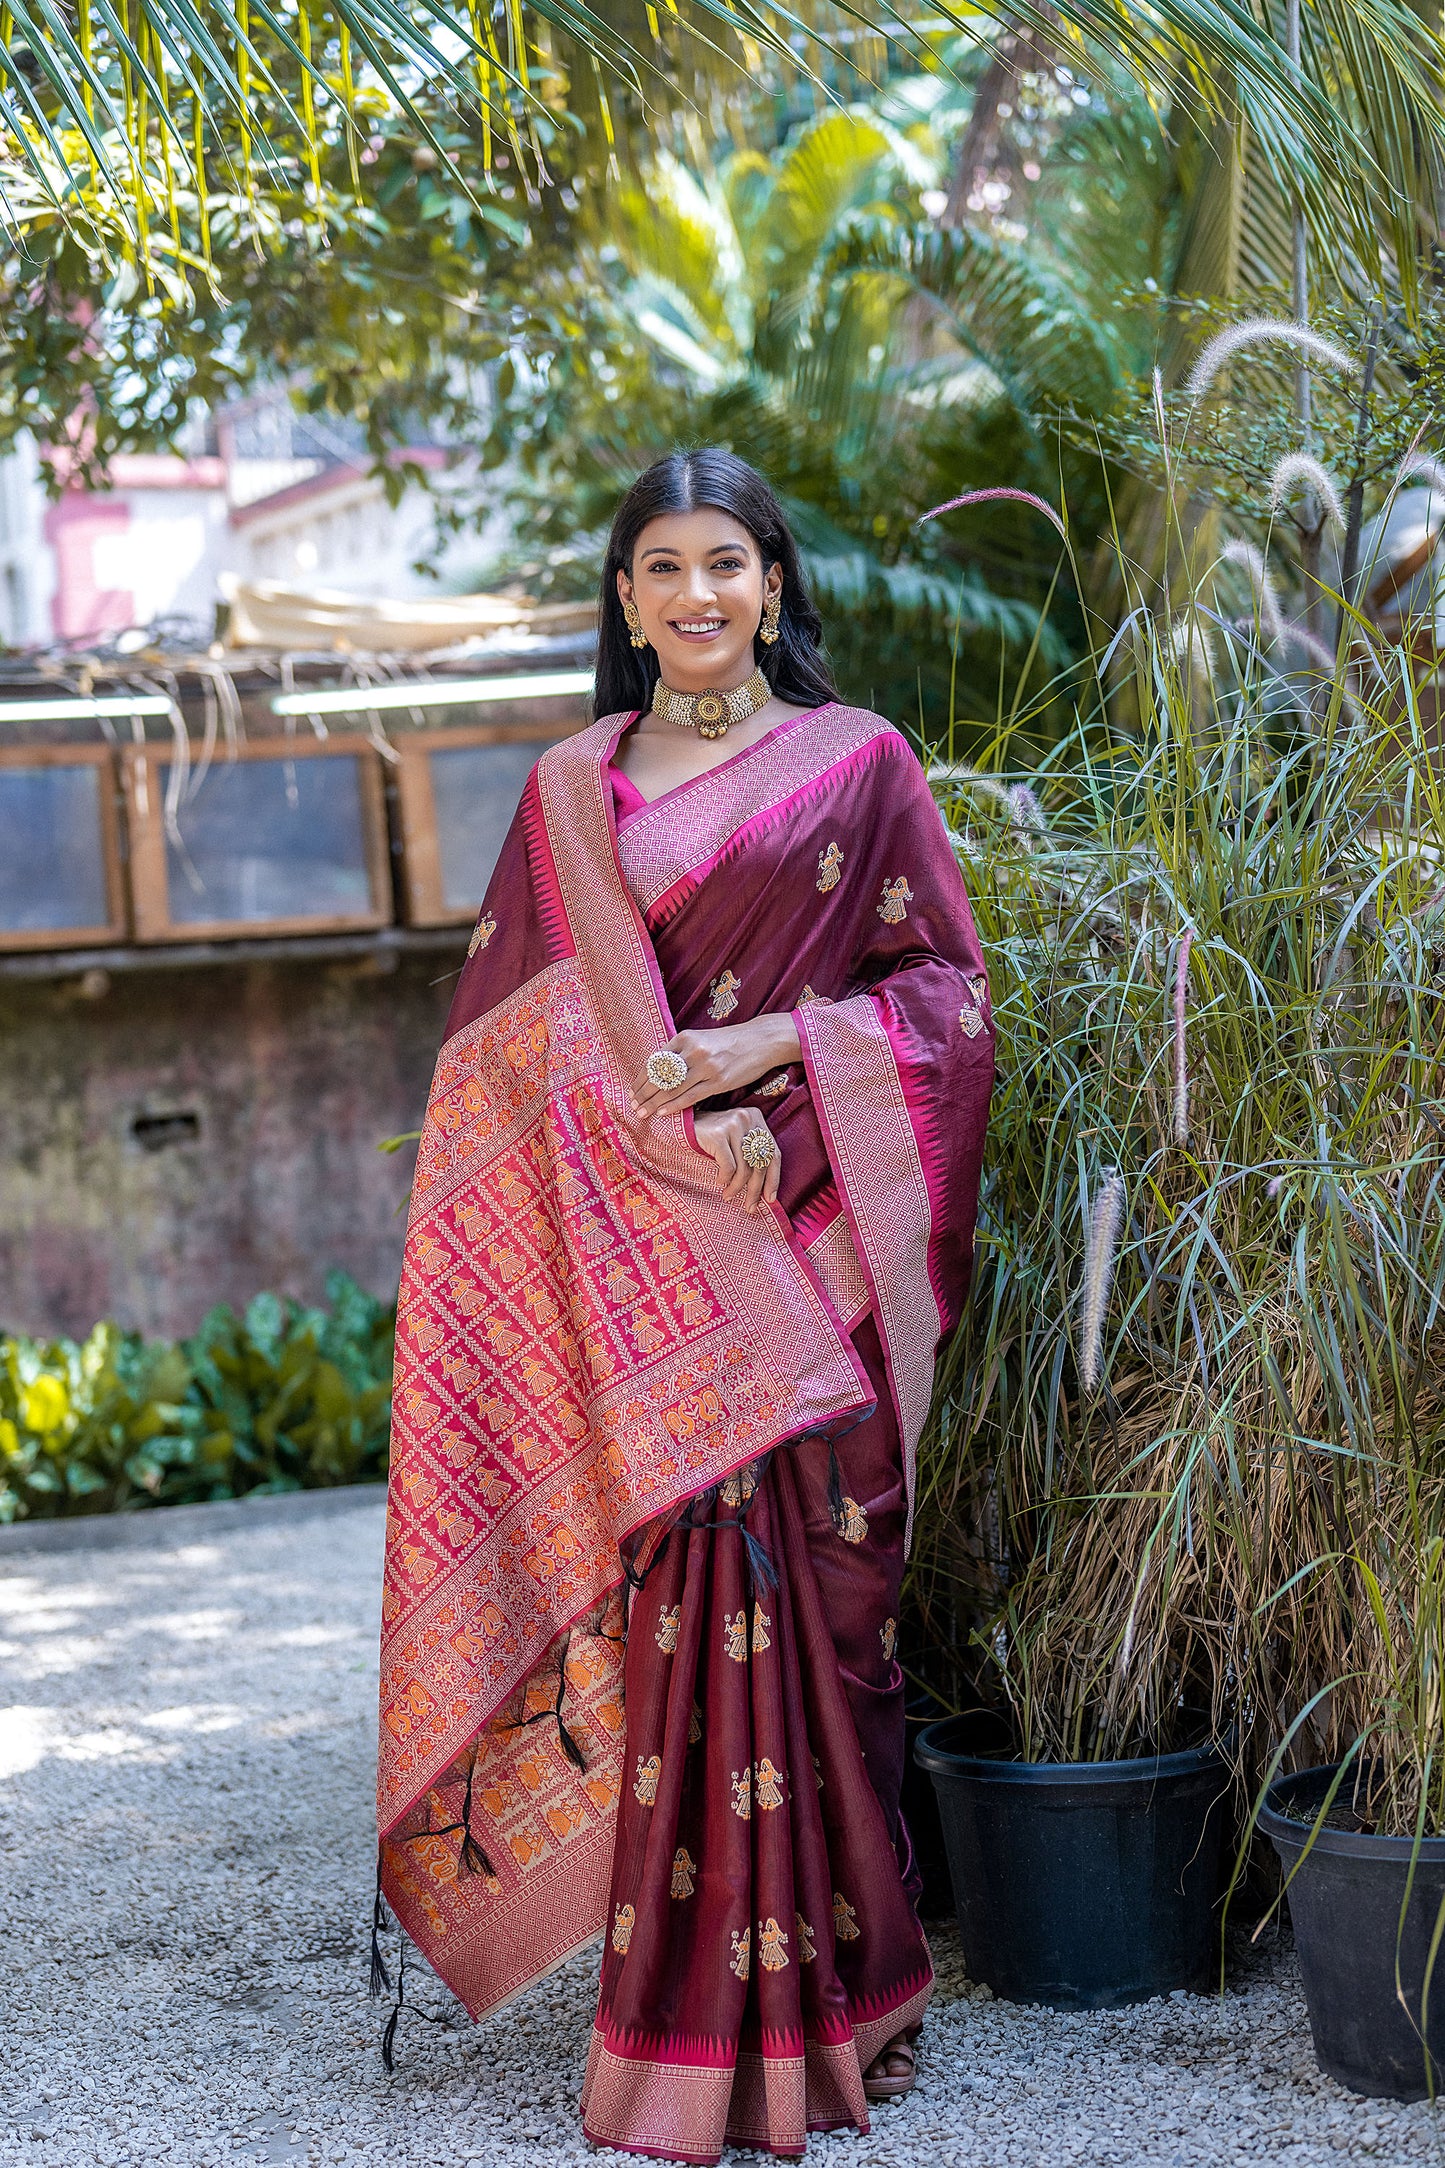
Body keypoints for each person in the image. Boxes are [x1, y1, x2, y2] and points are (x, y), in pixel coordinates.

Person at [375, 449, 994, 2162]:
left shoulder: (859, 765)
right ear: (627, 599)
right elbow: (515, 1073)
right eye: (661, 567)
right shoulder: (571, 795)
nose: (698, 595)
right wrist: (667, 1126)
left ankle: (854, 1999)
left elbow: (942, 1001)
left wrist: (773, 1050)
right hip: (648, 1280)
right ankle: (677, 2029)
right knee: (685, 1625)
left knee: (827, 1607)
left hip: (814, 1247)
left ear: (774, 584)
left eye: (727, 562)